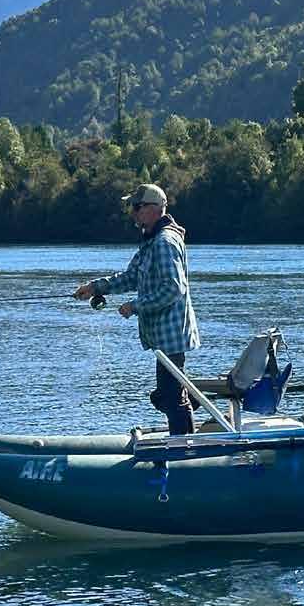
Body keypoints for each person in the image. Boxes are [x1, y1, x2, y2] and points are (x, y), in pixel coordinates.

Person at [72, 183, 201, 435]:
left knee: (170, 397)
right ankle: (187, 429)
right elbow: (130, 277)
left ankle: (185, 448)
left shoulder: (164, 242)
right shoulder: (150, 243)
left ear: (154, 209)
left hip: (172, 335)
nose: (132, 212)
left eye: (137, 207)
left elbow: (173, 289)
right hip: (162, 337)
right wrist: (95, 287)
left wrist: (135, 306)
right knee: (169, 394)